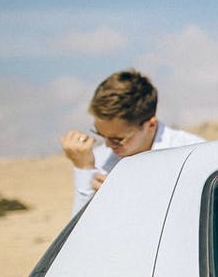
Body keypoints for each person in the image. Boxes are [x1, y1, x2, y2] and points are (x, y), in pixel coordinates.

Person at [60, 69, 204, 215]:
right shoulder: (100, 159)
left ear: (150, 125)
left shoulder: (194, 154)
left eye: (117, 139)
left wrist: (130, 198)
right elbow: (79, 233)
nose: (108, 145)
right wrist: (84, 169)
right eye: (101, 135)